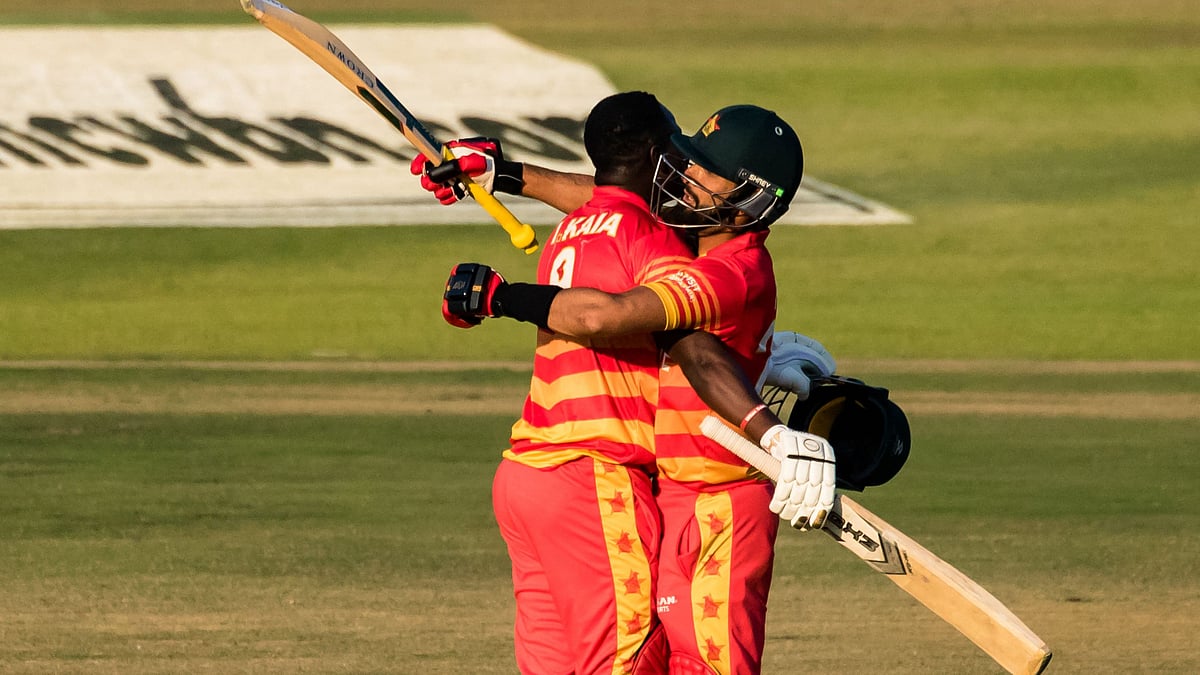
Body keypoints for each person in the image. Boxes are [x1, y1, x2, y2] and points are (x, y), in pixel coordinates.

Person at [429, 104, 836, 673]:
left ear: (750, 196)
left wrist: (502, 297)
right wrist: (507, 175)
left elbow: (629, 324)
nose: (683, 172)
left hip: (719, 499)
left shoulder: (726, 271)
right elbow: (614, 207)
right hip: (671, 495)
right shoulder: (689, 237)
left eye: (701, 169)